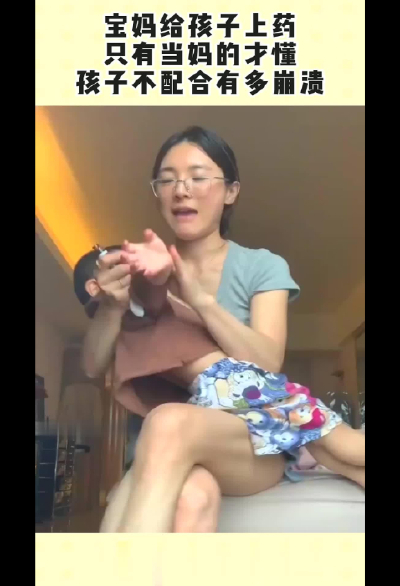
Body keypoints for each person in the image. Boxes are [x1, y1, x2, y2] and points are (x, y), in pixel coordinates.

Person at [81, 126, 365, 533]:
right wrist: (112, 306)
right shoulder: (141, 276)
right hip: (170, 445)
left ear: (230, 191)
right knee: (191, 497)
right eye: (167, 180)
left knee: (168, 422)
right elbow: (93, 366)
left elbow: (267, 362)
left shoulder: (261, 266)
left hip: (252, 443)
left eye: (198, 177)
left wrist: (201, 301)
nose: (181, 190)